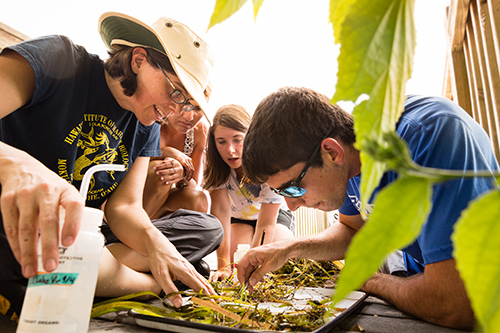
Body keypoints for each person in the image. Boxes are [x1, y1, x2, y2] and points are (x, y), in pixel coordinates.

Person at [0, 11, 223, 321]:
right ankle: (146, 284)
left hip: (77, 235)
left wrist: (156, 244)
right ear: (139, 60)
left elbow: (125, 207)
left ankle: (70, 278)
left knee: (206, 228)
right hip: (17, 222)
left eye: (186, 103)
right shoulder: (57, 59)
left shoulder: (146, 123)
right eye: (176, 93)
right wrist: (16, 164)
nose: (175, 110)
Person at [237, 87, 499, 330]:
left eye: (293, 188)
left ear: (331, 152)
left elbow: (455, 305)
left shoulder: (432, 137)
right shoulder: (350, 162)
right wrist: (289, 249)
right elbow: (352, 230)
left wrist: (368, 280)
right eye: (280, 193)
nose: (291, 207)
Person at [203, 104, 294, 282]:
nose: (230, 150)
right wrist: (223, 266)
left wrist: (254, 266)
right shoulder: (215, 163)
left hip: (273, 218)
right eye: (221, 142)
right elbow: (221, 211)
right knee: (238, 258)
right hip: (238, 218)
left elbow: (266, 224)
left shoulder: (269, 162)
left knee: (276, 258)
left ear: (250, 136)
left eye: (237, 140)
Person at [142, 85, 211, 220]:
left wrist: (183, 173)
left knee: (198, 199)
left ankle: (156, 228)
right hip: (134, 194)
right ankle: (132, 227)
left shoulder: (199, 131)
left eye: (198, 108)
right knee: (166, 167)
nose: (189, 117)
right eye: (184, 104)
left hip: (163, 203)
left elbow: (193, 183)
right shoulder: (151, 118)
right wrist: (167, 153)